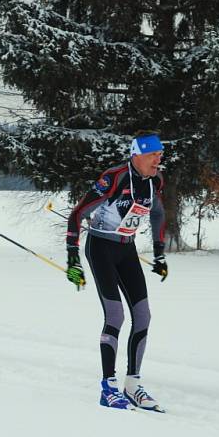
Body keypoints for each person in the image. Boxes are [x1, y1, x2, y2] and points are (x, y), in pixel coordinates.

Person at [65, 131, 168, 411]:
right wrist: (72, 255)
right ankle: (107, 387)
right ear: (137, 155)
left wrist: (159, 252)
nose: (158, 160)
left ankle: (133, 384)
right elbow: (78, 213)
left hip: (127, 248)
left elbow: (157, 213)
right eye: (152, 155)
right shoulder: (115, 177)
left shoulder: (155, 180)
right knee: (116, 315)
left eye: (160, 155)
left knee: (143, 315)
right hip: (100, 248)